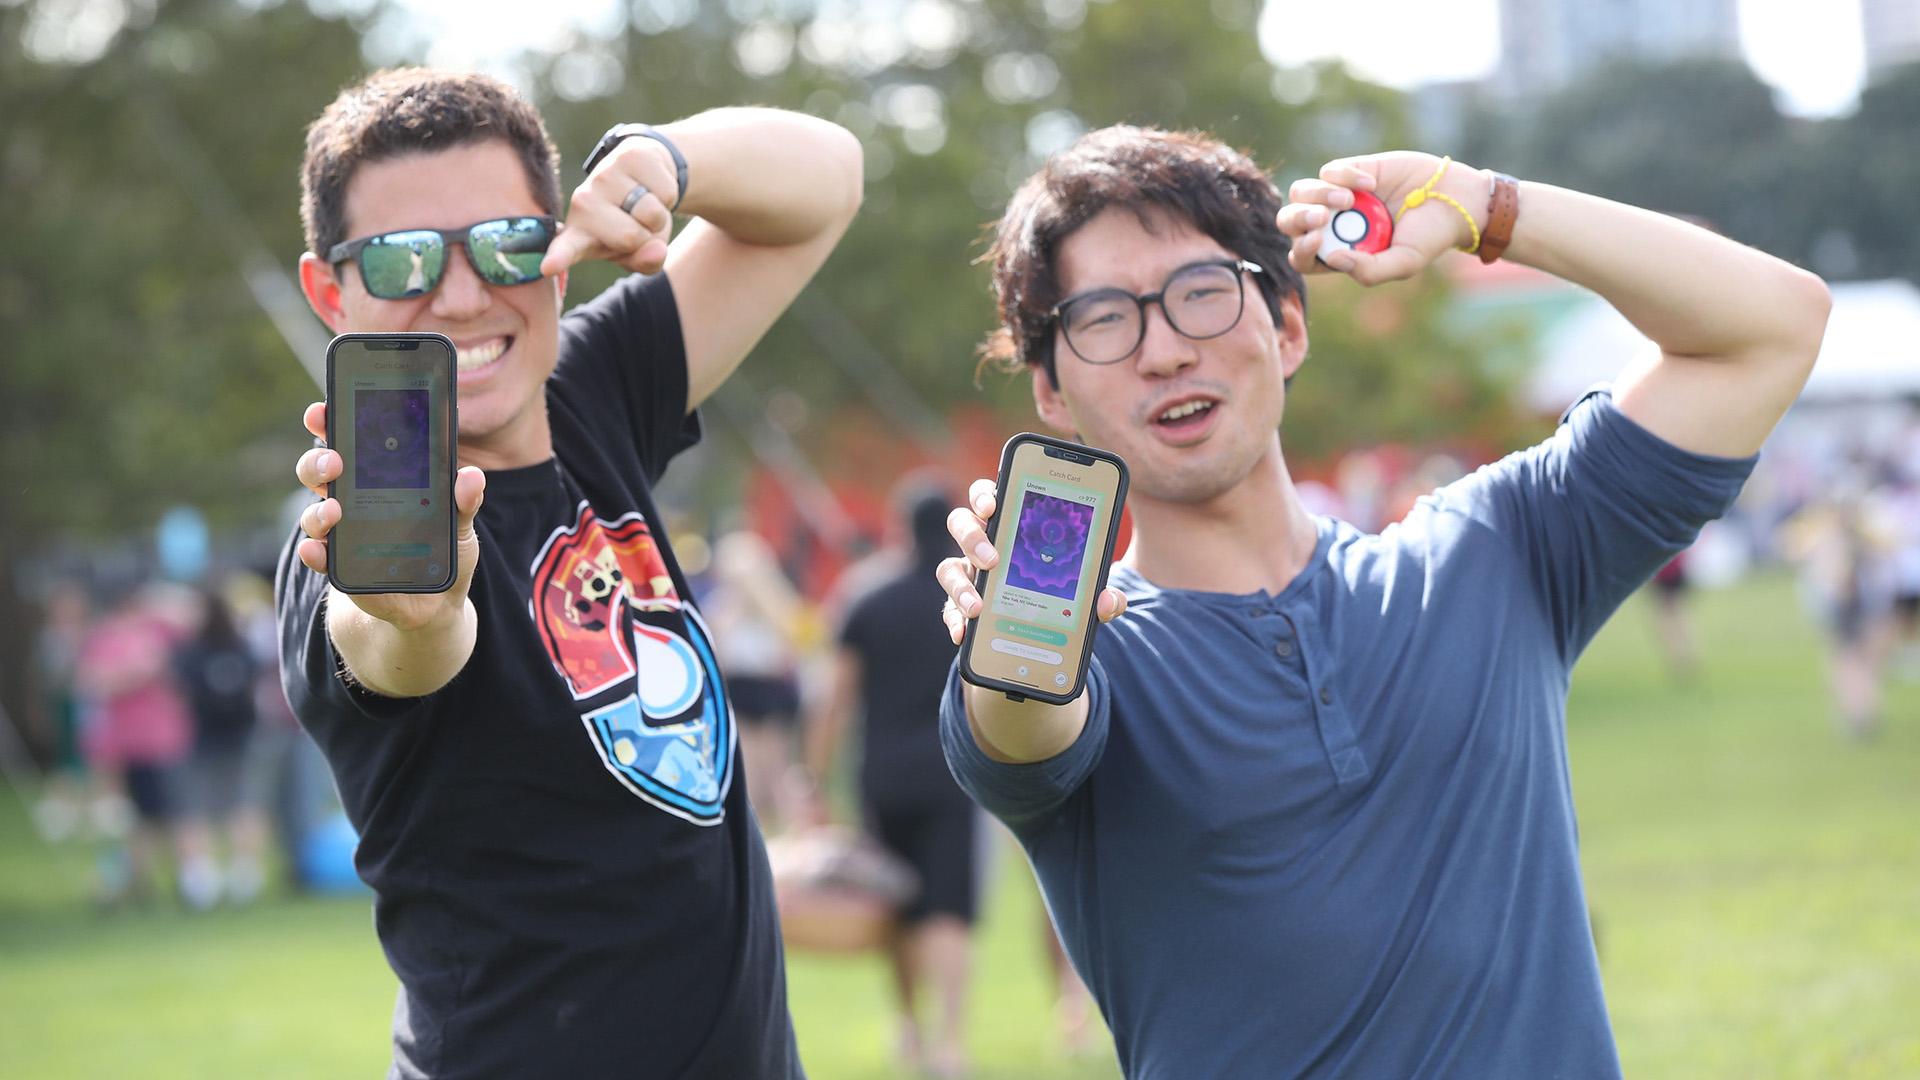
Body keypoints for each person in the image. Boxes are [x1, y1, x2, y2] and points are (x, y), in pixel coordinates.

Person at [933, 128, 1830, 1077]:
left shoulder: (1495, 552)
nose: (1162, 352)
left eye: (1201, 294)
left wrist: (1485, 207)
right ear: (1053, 392)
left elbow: (1772, 327)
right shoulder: (1096, 659)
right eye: (1105, 319)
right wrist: (1016, 636)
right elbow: (1024, 716)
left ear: (1286, 327)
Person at [275, 68, 860, 1077]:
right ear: (333, 292)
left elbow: (829, 181)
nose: (461, 296)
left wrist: (659, 161)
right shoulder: (345, 547)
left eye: (507, 243)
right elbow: (393, 641)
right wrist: (416, 615)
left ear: (556, 259)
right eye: (403, 261)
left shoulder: (588, 391)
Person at [804, 481, 979, 1078]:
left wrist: (814, 778)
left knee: (895, 903)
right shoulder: (968, 600)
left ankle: (909, 1027)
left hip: (882, 774)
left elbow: (835, 700)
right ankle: (950, 1041)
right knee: (949, 906)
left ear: (899, 527)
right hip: (955, 769)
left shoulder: (866, 596)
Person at [703, 530, 808, 830]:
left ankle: (780, 831)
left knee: (768, 771)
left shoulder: (763, 606)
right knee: (764, 771)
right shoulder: (728, 607)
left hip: (758, 691)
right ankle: (763, 832)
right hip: (752, 690)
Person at [171, 583, 268, 907]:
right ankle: (245, 876)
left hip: (204, 738)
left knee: (195, 808)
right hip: (242, 734)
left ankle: (200, 882)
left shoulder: (190, 651)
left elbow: (179, 691)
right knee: (244, 804)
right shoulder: (241, 646)